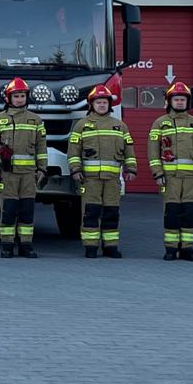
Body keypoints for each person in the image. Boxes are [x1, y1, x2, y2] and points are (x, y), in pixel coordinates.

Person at [68, 85, 137, 259]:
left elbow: (129, 150)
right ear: (92, 104)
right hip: (90, 180)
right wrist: (75, 169)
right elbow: (73, 150)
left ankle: (110, 247)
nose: (101, 105)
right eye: (98, 102)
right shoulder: (82, 126)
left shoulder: (120, 126)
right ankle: (90, 247)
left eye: (104, 102)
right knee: (91, 213)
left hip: (112, 180)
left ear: (109, 105)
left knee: (111, 213)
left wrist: (131, 169)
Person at [147, 82, 193, 261]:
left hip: (190, 179)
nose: (180, 102)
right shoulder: (160, 124)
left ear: (187, 102)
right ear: (169, 101)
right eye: (177, 99)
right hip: (169, 178)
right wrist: (157, 173)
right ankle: (171, 249)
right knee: (172, 212)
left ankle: (187, 249)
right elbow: (153, 151)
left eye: (183, 99)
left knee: (189, 212)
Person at [0, 78, 47, 258]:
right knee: (8, 209)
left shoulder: (36, 120)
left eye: (22, 96)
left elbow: (41, 147)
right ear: (8, 98)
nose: (19, 99)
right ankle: (7, 244)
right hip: (8, 174)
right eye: (16, 96)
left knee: (27, 210)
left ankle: (26, 245)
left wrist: (42, 169)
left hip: (28, 175)